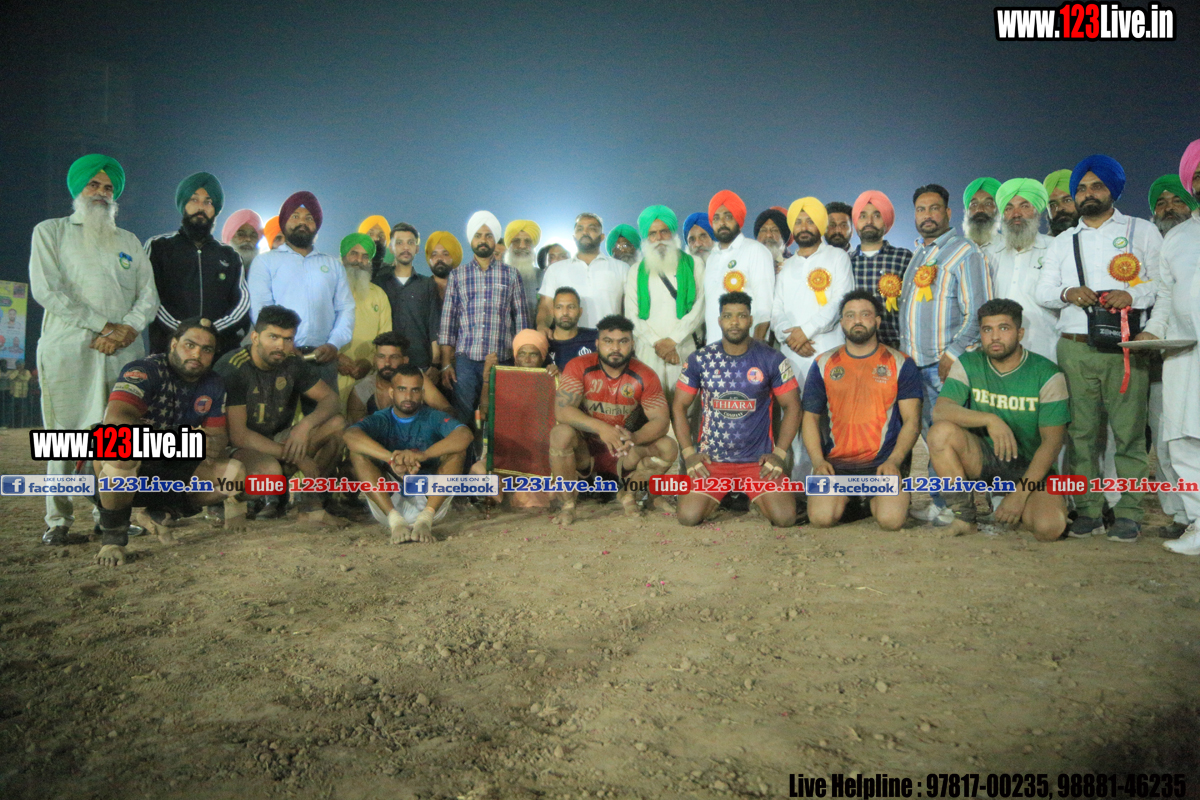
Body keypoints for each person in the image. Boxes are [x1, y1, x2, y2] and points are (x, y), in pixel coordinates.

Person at [29, 154, 159, 546]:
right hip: (70, 349)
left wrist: (125, 330)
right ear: (78, 189)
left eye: (108, 187)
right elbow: (47, 290)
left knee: (115, 436)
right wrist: (104, 326)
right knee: (65, 436)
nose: (102, 193)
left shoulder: (129, 241)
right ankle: (58, 521)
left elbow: (148, 297)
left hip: (123, 352)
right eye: (94, 185)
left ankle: (109, 516)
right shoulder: (51, 232)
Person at [1035, 154, 1160, 542]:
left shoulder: (1142, 231)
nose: (1089, 193)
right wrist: (1067, 292)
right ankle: (1088, 509)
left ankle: (1129, 511)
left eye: (1097, 186)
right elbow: (1043, 291)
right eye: (1082, 188)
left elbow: (1162, 283)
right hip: (1075, 348)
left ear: (1113, 190)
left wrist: (1133, 295)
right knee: (1081, 434)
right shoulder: (1063, 242)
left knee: (1129, 434)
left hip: (1125, 348)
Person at [92, 318, 249, 567]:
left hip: (165, 468)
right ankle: (113, 539)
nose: (197, 354)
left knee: (233, 473)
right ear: (174, 344)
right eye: (190, 345)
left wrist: (209, 446)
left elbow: (216, 438)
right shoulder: (144, 370)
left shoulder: (213, 383)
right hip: (113, 470)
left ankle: (162, 513)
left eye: (206, 349)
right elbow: (117, 419)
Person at [928, 299, 1070, 541]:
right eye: (987, 329)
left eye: (1004, 328)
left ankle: (1012, 502)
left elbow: (1052, 443)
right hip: (985, 460)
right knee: (940, 433)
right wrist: (989, 419)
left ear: (1020, 333)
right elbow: (941, 411)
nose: (994, 337)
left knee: (1049, 528)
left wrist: (1020, 495)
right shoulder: (969, 362)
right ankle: (964, 517)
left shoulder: (1047, 373)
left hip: (1030, 469)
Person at [900, 183, 993, 523]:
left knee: (951, 437)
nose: (927, 215)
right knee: (931, 438)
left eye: (934, 208)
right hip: (916, 365)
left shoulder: (964, 252)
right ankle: (946, 504)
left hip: (945, 366)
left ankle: (969, 507)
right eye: (921, 209)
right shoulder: (919, 255)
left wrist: (952, 355)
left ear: (948, 213)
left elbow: (979, 312)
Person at [673, 292, 800, 527]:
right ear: (719, 320)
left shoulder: (771, 358)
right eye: (728, 316)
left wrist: (780, 454)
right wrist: (689, 454)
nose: (734, 322)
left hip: (757, 461)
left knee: (785, 518)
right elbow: (679, 406)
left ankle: (750, 496)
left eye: (741, 316)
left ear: (750, 320)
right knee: (688, 517)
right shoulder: (701, 359)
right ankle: (724, 494)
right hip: (712, 460)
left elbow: (792, 406)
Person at [214, 305, 346, 524]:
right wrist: (298, 457)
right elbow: (239, 436)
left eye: (288, 339)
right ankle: (233, 499)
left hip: (277, 439)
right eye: (273, 337)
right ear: (255, 337)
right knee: (269, 472)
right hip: (237, 450)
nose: (280, 346)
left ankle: (309, 503)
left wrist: (304, 426)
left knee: (337, 425)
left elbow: (331, 399)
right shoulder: (234, 368)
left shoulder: (292, 363)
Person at [802, 291, 922, 530]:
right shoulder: (823, 363)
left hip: (883, 463)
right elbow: (810, 418)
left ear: (877, 321)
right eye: (850, 315)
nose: (857, 320)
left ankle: (876, 499)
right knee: (820, 518)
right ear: (842, 322)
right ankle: (854, 501)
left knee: (891, 521)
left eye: (865, 314)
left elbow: (912, 421)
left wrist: (895, 460)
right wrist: (817, 461)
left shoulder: (901, 362)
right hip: (836, 465)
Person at [550, 315, 677, 523]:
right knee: (560, 434)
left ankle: (629, 494)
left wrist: (633, 437)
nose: (615, 348)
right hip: (585, 453)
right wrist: (602, 428)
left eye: (623, 341)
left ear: (632, 344)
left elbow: (661, 421)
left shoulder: (645, 375)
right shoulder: (579, 366)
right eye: (608, 341)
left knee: (668, 447)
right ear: (597, 343)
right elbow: (562, 410)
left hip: (625, 453)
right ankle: (568, 505)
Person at [1142, 138, 1200, 553]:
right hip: (1183, 353)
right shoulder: (1177, 237)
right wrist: (1151, 333)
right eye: (1197, 175)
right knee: (1182, 441)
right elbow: (1164, 298)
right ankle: (1197, 523)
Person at [773, 197, 853, 481]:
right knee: (793, 419)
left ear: (820, 224)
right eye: (798, 222)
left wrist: (805, 331)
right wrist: (791, 336)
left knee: (831, 420)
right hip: (792, 356)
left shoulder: (838, 258)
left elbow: (841, 302)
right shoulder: (787, 266)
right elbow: (776, 311)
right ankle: (798, 485)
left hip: (829, 353)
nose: (803, 227)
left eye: (809, 221)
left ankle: (835, 487)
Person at [345, 366, 472, 544]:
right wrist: (391, 458)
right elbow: (350, 436)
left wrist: (424, 455)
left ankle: (424, 521)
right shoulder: (381, 418)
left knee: (457, 452)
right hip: (389, 504)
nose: (408, 396)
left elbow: (465, 435)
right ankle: (396, 522)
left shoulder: (433, 417)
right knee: (358, 453)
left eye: (415, 390)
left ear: (422, 393)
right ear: (392, 392)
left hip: (430, 503)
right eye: (402, 389)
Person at [247, 191, 354, 403]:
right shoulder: (266, 262)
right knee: (276, 417)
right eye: (295, 216)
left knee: (325, 416)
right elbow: (261, 310)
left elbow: (346, 309)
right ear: (284, 222)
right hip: (280, 357)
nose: (302, 222)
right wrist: (284, 345)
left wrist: (334, 344)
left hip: (323, 358)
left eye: (309, 218)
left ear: (317, 225)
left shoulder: (332, 265)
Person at [440, 211, 531, 427]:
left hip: (502, 358)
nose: (483, 240)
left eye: (488, 236)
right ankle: (466, 450)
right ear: (471, 240)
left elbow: (521, 320)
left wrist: (520, 360)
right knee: (464, 418)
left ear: (495, 240)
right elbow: (448, 321)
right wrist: (445, 363)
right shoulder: (457, 275)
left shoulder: (511, 274)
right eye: (478, 236)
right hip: (466, 361)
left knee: (501, 419)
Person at [147, 172, 250, 356]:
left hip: (219, 353)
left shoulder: (230, 255)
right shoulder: (158, 247)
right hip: (169, 351)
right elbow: (148, 296)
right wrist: (184, 332)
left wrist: (211, 331)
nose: (201, 207)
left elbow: (242, 302)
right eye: (194, 200)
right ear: (183, 205)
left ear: (215, 209)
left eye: (208, 202)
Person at [623, 205, 705, 401]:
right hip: (649, 352)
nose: (659, 238)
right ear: (646, 238)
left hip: (684, 347)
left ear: (672, 233)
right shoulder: (636, 271)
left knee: (686, 409)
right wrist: (657, 343)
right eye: (652, 234)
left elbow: (701, 306)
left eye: (664, 231)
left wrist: (673, 340)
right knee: (652, 407)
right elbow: (631, 314)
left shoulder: (694, 264)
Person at [989, 179, 1058, 363]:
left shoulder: (1055, 248)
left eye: (1024, 206)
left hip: (1044, 352)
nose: (1016, 214)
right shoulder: (990, 253)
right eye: (1009, 208)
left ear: (1037, 211)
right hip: (997, 354)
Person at [703, 190, 775, 344]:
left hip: (745, 347)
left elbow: (765, 307)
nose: (722, 223)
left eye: (728, 217)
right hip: (714, 348)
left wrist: (756, 347)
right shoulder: (711, 258)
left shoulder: (755, 250)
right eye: (716, 218)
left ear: (738, 218)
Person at [537, 213, 628, 330]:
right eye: (580, 229)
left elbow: (629, 309)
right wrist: (542, 326)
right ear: (574, 237)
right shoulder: (555, 270)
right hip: (568, 339)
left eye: (592, 229)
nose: (585, 232)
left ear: (602, 237)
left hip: (610, 338)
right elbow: (546, 306)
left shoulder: (621, 268)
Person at [374, 222, 441, 380]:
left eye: (410, 242)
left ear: (417, 248)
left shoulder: (427, 284)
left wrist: (435, 365)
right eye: (399, 243)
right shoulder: (379, 284)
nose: (405, 247)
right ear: (391, 248)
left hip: (421, 364)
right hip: (387, 365)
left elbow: (434, 327)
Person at [848, 190, 911, 349]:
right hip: (854, 348)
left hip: (896, 347)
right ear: (856, 222)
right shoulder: (845, 261)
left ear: (886, 221)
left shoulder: (903, 257)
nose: (869, 221)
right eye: (863, 216)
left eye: (877, 215)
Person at [347, 331, 452, 425]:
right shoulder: (363, 389)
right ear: (375, 359)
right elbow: (356, 430)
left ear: (405, 360)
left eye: (394, 357)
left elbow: (446, 409)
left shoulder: (417, 378)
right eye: (381, 357)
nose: (387, 363)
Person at [337, 233, 393, 405]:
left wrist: (369, 362)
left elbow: (385, 339)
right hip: (328, 373)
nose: (359, 261)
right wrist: (335, 358)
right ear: (343, 256)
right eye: (354, 253)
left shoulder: (379, 295)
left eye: (365, 256)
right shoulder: (328, 289)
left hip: (365, 378)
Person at [546, 287, 598, 371]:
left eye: (571, 307)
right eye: (559, 307)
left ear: (580, 311)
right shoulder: (544, 343)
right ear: (552, 311)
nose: (565, 313)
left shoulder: (595, 339)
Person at [504, 219, 543, 322]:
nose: (522, 246)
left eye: (527, 241)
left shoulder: (542, 276)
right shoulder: (498, 276)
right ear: (509, 246)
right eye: (516, 241)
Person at [424, 230, 463, 305]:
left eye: (445, 254)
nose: (439, 258)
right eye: (434, 254)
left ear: (454, 257)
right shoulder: (421, 289)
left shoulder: (464, 289)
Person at [962, 177, 1001, 251]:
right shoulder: (956, 249)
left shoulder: (1010, 248)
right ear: (967, 211)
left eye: (988, 204)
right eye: (974, 204)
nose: (980, 209)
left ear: (997, 210)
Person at [1043, 169, 1080, 237]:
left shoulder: (1099, 238)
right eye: (1052, 205)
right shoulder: (1045, 243)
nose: (1059, 208)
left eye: (1067, 200)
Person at [358, 214, 393, 282]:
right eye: (370, 234)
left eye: (381, 236)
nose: (376, 239)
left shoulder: (391, 273)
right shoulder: (347, 268)